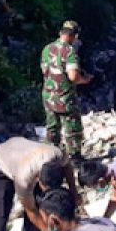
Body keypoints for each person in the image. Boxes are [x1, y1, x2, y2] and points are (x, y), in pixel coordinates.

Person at [40, 20, 92, 160]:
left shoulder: (47, 49)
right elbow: (73, 76)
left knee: (52, 126)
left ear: (60, 33)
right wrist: (84, 79)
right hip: (65, 98)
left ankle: (50, 156)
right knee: (72, 127)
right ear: (75, 36)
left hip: (48, 96)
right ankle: (74, 157)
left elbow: (45, 70)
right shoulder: (69, 51)